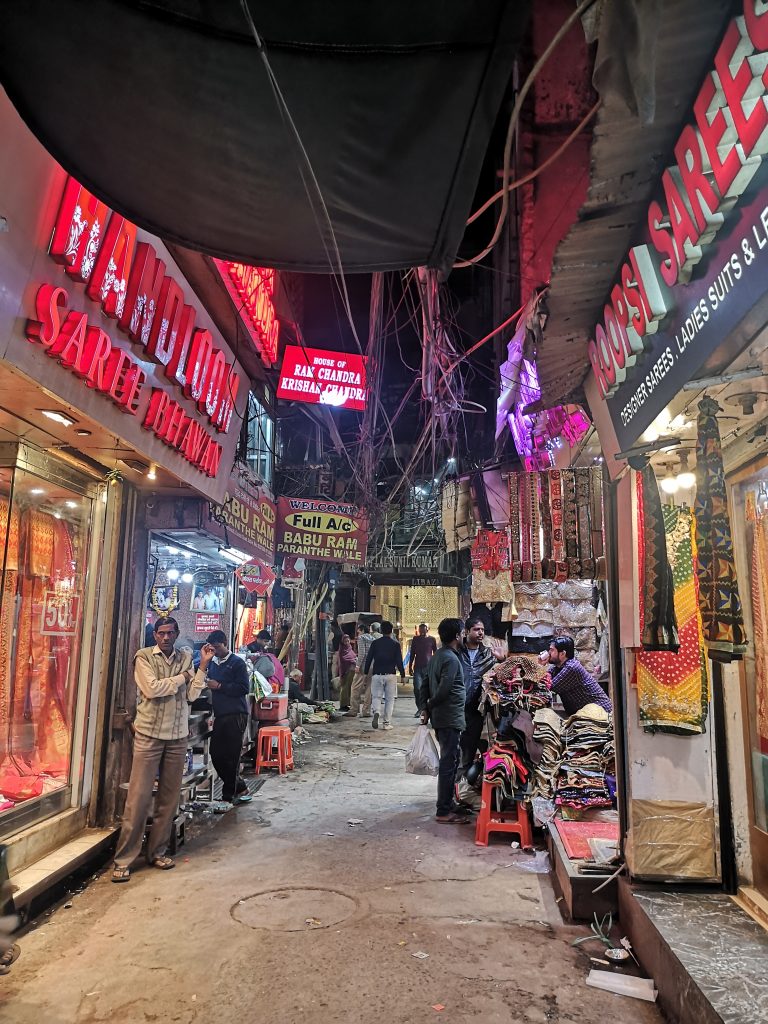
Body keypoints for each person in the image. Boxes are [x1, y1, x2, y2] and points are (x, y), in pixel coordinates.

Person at [112, 616, 212, 882]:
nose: (166, 637)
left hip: (177, 736)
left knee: (168, 799)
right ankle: (124, 859)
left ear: (177, 633)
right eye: (162, 633)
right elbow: (153, 689)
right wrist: (184, 675)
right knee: (138, 798)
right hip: (149, 735)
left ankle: (157, 852)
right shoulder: (143, 657)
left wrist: (201, 667)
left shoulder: (185, 659)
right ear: (155, 635)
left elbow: (191, 696)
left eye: (170, 633)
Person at [415, 618, 469, 824]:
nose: (463, 636)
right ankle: (443, 811)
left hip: (442, 718)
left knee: (452, 761)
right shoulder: (452, 659)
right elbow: (444, 689)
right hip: (449, 717)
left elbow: (425, 684)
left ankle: (448, 803)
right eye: (462, 633)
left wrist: (425, 706)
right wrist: (429, 705)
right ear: (457, 636)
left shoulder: (438, 656)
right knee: (449, 763)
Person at [205, 630, 252, 806]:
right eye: (212, 648)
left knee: (232, 756)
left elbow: (243, 688)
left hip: (236, 714)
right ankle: (240, 787)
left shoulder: (237, 663)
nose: (215, 651)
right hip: (220, 714)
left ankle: (228, 796)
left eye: (217, 647)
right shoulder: (212, 663)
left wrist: (220, 686)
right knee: (216, 754)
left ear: (225, 643)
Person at [459, 617, 505, 771]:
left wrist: (501, 659)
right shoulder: (457, 652)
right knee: (457, 749)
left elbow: (502, 676)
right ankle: (455, 783)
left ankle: (465, 783)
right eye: (477, 629)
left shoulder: (487, 654)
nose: (480, 633)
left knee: (471, 746)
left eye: (483, 630)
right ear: (467, 631)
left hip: (477, 709)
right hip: (457, 707)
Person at [544, 637, 612, 716]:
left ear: (562, 654)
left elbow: (551, 686)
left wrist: (542, 666)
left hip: (600, 712)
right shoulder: (559, 667)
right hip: (587, 713)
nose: (549, 653)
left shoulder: (572, 667)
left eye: (552, 650)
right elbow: (545, 678)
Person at [364, 620, 405, 730]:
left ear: (381, 630)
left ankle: (377, 711)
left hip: (377, 674)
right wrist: (403, 674)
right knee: (389, 700)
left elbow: (369, 659)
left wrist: (365, 672)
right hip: (390, 675)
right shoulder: (395, 644)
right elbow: (399, 661)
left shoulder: (375, 643)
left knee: (376, 697)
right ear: (391, 631)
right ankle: (386, 723)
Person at [408, 623, 437, 718]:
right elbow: (412, 653)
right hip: (418, 668)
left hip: (429, 668)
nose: (421, 632)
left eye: (423, 630)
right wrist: (410, 666)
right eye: (420, 630)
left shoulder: (432, 639)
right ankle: (420, 708)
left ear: (427, 630)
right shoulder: (415, 639)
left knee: (429, 689)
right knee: (417, 688)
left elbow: (435, 653)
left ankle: (428, 709)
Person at [349, 622, 375, 718]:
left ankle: (354, 710)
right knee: (369, 689)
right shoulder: (373, 639)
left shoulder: (361, 638)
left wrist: (358, 666)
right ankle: (366, 711)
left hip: (363, 666)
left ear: (362, 630)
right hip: (372, 666)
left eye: (358, 631)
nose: (358, 633)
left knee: (355, 687)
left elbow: (362, 653)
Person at [337, 632, 356, 711]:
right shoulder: (342, 649)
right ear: (343, 642)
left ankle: (347, 703)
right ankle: (343, 705)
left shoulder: (349, 648)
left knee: (349, 687)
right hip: (345, 670)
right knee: (344, 687)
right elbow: (344, 659)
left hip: (351, 670)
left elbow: (352, 655)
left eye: (348, 641)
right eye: (345, 641)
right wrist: (353, 660)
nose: (347, 643)